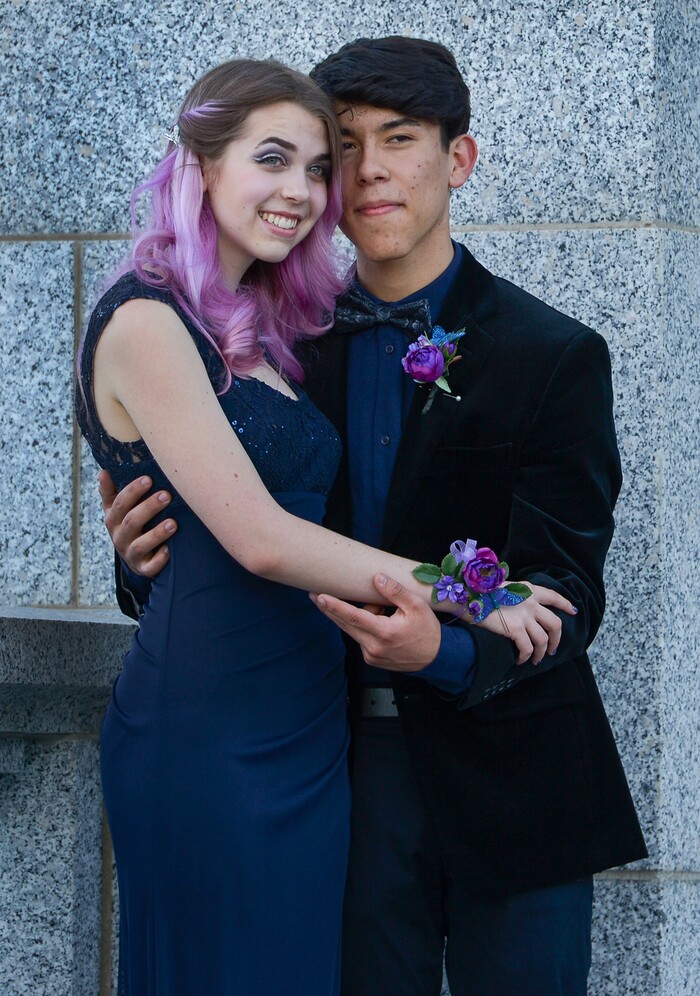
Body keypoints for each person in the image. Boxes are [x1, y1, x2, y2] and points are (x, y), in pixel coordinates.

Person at [99, 39, 647, 996]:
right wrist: (140, 561)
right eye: (342, 147)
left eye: (399, 140)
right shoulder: (274, 350)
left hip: (515, 775)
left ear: (459, 160)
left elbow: (564, 589)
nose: (366, 172)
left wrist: (440, 648)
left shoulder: (554, 353)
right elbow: (241, 538)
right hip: (339, 773)